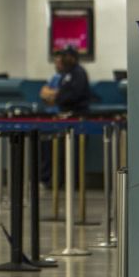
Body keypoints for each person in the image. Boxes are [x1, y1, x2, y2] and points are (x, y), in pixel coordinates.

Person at [38, 47, 91, 185]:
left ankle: (71, 181)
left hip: (77, 118)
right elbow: (46, 94)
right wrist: (56, 96)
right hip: (64, 117)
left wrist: (57, 96)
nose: (61, 60)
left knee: (73, 154)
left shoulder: (78, 73)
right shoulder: (64, 75)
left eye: (64, 57)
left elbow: (69, 96)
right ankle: (52, 179)